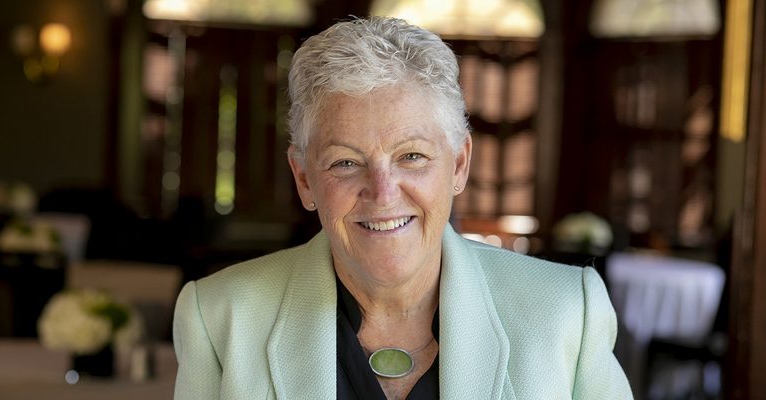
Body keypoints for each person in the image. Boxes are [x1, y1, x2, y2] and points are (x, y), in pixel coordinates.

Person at [172, 16, 633, 400]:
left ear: (458, 164)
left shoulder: (566, 313)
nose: (383, 191)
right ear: (304, 179)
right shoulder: (219, 319)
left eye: (411, 156)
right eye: (345, 162)